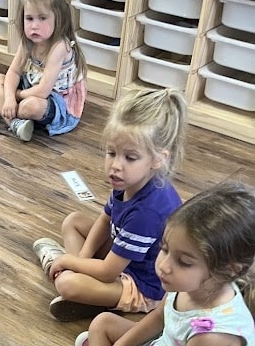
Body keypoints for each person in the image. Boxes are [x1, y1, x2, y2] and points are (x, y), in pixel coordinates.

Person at [74, 182, 255, 346]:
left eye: (184, 261)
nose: (164, 266)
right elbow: (159, 318)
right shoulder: (187, 284)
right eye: (165, 248)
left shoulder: (213, 333)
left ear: (228, 270)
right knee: (103, 323)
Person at [32, 87, 187, 321]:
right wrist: (82, 259)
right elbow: (106, 218)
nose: (115, 165)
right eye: (111, 152)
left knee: (67, 284)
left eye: (130, 157)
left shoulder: (148, 212)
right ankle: (90, 293)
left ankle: (87, 293)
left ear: (158, 159)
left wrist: (67, 261)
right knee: (74, 221)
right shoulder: (129, 181)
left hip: (142, 287)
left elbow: (107, 272)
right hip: (124, 260)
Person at [0, 0, 86, 142]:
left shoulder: (59, 47)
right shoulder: (27, 42)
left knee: (30, 107)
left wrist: (15, 96)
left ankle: (1, 107)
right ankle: (14, 122)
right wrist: (9, 98)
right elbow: (14, 72)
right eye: (29, 18)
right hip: (30, 86)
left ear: (58, 18)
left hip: (55, 98)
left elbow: (43, 91)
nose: (34, 25)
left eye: (42, 18)